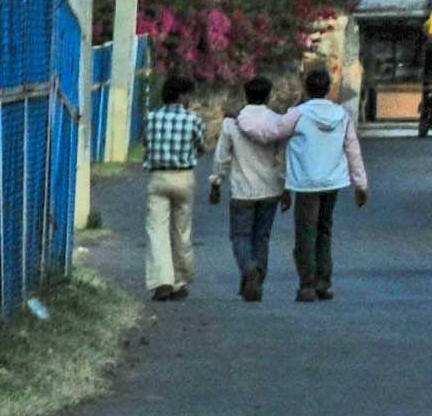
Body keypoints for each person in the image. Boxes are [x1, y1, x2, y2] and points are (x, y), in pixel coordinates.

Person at [280, 60, 370, 300]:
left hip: (305, 182)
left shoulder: (296, 115)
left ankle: (307, 284)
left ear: (306, 88)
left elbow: (275, 136)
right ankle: (324, 282)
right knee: (324, 230)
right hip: (332, 182)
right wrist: (361, 185)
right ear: (329, 89)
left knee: (305, 233)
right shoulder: (341, 115)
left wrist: (282, 183)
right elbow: (353, 150)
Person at [213, 74, 292, 301]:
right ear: (268, 96)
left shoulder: (232, 124)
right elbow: (283, 157)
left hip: (242, 191)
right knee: (261, 237)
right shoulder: (278, 123)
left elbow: (222, 158)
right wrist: (286, 187)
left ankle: (248, 269)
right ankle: (257, 275)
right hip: (271, 189)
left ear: (246, 96)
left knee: (240, 236)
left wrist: (216, 182)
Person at [138, 74, 205, 300]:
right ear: (182, 96)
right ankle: (180, 281)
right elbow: (200, 146)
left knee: (157, 231)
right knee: (181, 231)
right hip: (183, 177)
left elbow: (146, 143)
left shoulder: (151, 118)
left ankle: (162, 281)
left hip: (158, 177)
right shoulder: (193, 119)